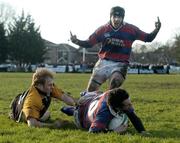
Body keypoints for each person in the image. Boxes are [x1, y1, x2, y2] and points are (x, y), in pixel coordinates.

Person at [70, 6, 161, 91]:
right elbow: (89, 43)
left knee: (114, 85)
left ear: (123, 18)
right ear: (110, 17)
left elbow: (148, 38)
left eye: (119, 17)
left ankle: (107, 104)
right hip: (103, 62)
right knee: (91, 90)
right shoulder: (102, 29)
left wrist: (156, 29)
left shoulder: (131, 29)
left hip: (121, 64)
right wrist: (76, 41)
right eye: (114, 16)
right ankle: (84, 106)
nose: (116, 19)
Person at [61, 88, 149, 135]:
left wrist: (142, 131)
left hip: (94, 99)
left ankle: (83, 97)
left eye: (130, 103)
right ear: (118, 107)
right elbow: (93, 132)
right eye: (128, 105)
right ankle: (69, 109)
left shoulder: (115, 95)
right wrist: (114, 132)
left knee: (99, 92)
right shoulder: (103, 114)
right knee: (76, 109)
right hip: (80, 116)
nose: (131, 106)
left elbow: (133, 116)